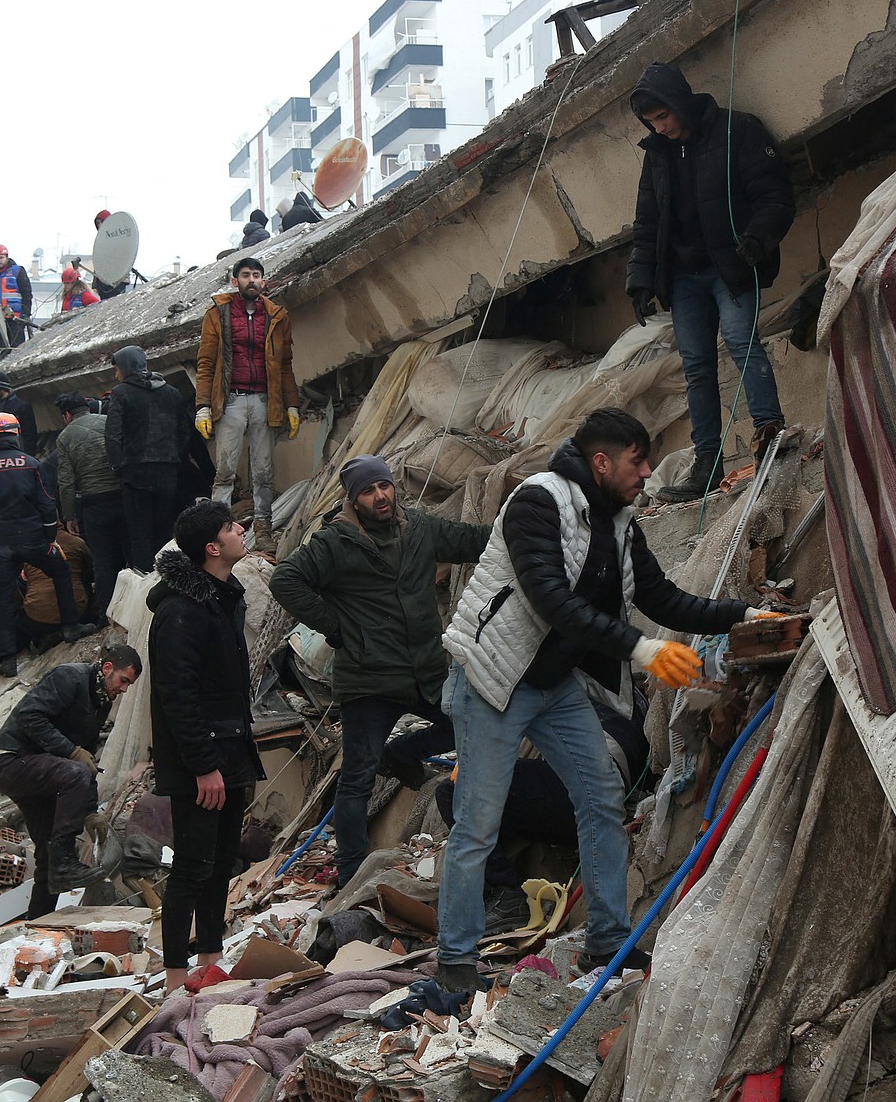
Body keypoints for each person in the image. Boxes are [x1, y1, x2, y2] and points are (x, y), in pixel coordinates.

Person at [434, 408, 781, 993]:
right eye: (637, 461)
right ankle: (456, 963)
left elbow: (664, 599)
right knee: (477, 823)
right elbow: (550, 599)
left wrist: (744, 615)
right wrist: (643, 652)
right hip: (495, 680)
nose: (647, 472)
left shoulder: (620, 524)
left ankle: (608, 944)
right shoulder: (535, 504)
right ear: (601, 462)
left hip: (553, 684)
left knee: (601, 798)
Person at [269, 454, 491, 889]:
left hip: (424, 671)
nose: (380, 496)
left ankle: (407, 751)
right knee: (357, 777)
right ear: (354, 500)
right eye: (368, 491)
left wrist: (526, 525)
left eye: (384, 486)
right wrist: (336, 627)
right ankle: (352, 870)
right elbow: (285, 580)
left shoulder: (421, 528)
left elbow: (473, 540)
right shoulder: (335, 543)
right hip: (368, 679)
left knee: (468, 722)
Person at [626, 61, 795, 502]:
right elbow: (647, 222)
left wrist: (758, 239)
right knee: (696, 367)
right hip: (683, 278)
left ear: (679, 104)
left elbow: (774, 194)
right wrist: (640, 280)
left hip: (732, 267)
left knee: (742, 343)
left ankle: (770, 437)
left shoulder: (738, 131)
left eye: (662, 117)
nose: (659, 129)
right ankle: (707, 463)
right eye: (651, 122)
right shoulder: (657, 154)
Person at [147, 501, 264, 993]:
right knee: (191, 867)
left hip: (231, 749)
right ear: (213, 549)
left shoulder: (223, 596)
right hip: (202, 761)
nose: (242, 530)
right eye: (231, 527)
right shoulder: (180, 611)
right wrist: (203, 765)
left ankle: (211, 960)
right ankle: (176, 975)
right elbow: (178, 695)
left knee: (221, 863)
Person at [0, 646, 142, 918]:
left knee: (48, 856)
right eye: (123, 680)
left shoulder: (101, 700)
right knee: (74, 774)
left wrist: (91, 811)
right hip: (11, 760)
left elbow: (88, 760)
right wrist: (70, 750)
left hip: (43, 769)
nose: (124, 689)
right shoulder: (70, 677)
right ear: (107, 668)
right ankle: (65, 861)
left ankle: (38, 928)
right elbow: (29, 716)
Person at [0, 412, 94, 677]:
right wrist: (49, 539)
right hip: (33, 539)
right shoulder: (31, 463)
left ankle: (8, 660)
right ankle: (70, 628)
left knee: (1, 599)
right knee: (60, 571)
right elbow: (46, 503)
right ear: (16, 433)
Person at [194, 257, 300, 553]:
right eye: (245, 275)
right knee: (225, 471)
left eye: (256, 275)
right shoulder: (218, 313)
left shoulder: (277, 315)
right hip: (231, 401)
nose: (251, 280)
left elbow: (285, 364)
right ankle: (217, 530)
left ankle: (264, 530)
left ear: (264, 282)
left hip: (266, 401)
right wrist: (203, 405)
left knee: (264, 471)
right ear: (235, 281)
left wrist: (292, 404)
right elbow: (205, 363)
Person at [105, 346, 195, 573]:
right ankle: (168, 577)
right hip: (168, 472)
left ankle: (145, 582)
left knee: (139, 533)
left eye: (117, 369)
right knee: (165, 530)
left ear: (125, 367)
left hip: (135, 472)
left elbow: (112, 434)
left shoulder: (121, 393)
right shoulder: (172, 393)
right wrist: (175, 456)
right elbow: (185, 431)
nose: (116, 374)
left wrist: (117, 465)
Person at [55, 392, 128, 621]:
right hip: (125, 496)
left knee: (104, 561)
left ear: (67, 415)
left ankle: (109, 613)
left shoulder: (65, 438)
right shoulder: (108, 422)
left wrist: (69, 517)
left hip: (95, 504)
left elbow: (65, 482)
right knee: (132, 551)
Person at [20, 523, 95, 649]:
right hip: (77, 610)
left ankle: (44, 637)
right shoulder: (77, 543)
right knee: (81, 581)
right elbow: (90, 571)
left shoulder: (25, 547)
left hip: (38, 617)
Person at [0, 373, 38, 453]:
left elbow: (30, 436)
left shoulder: (22, 407)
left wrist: (27, 455)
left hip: (18, 452)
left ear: (2, 388)